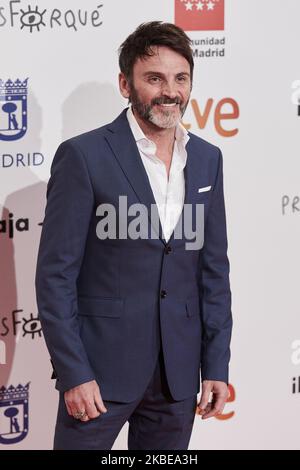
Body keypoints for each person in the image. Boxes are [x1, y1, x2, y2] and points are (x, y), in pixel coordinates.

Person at [35, 21, 233, 450]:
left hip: (176, 379)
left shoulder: (207, 159)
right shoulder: (83, 156)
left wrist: (215, 364)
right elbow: (55, 276)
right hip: (99, 375)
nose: (170, 91)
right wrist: (74, 372)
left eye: (181, 78)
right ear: (126, 84)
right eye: (154, 78)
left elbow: (213, 272)